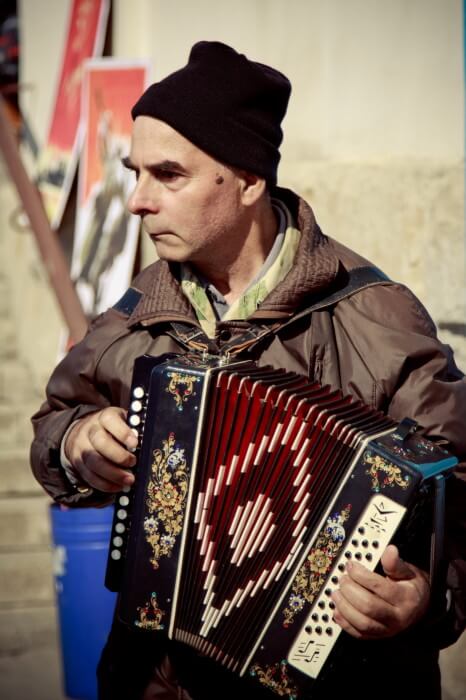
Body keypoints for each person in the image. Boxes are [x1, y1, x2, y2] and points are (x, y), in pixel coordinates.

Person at [30, 42, 466, 700]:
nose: (137, 201)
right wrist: (74, 444)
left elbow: (457, 489)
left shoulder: (375, 316)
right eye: (134, 172)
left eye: (167, 175)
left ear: (248, 181)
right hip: (156, 682)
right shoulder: (137, 311)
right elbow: (53, 424)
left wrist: (427, 597)